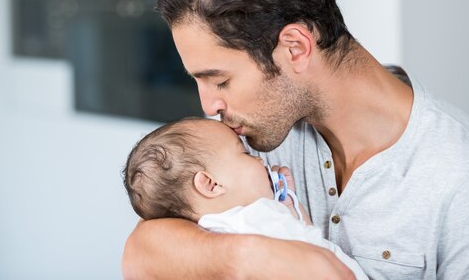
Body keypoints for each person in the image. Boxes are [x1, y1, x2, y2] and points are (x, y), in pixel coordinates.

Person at [122, 0, 469, 280]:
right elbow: (141, 252)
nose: (209, 106)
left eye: (220, 80)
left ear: (295, 48)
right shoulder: (257, 138)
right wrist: (255, 258)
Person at [122, 117, 369, 280]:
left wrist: (288, 204)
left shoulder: (211, 233)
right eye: (245, 153)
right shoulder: (250, 220)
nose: (260, 160)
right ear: (211, 184)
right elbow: (308, 241)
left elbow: (302, 235)